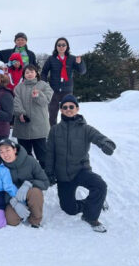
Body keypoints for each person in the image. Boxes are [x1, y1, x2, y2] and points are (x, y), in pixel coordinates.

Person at [45, 95, 116, 233]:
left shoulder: (86, 129)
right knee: (69, 209)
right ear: (61, 110)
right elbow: (50, 153)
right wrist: (50, 173)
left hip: (80, 170)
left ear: (77, 108)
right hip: (63, 176)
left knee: (100, 185)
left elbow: (99, 138)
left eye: (71, 106)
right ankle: (95, 203)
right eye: (65, 107)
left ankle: (91, 217)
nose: (68, 109)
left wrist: (106, 144)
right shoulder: (55, 130)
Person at [0, 139, 49, 228]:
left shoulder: (30, 161)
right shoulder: (0, 167)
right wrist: (13, 202)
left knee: (35, 192)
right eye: (1, 152)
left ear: (14, 150)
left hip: (30, 193)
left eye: (7, 150)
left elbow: (45, 182)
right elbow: (0, 188)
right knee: (11, 220)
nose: (5, 154)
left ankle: (35, 220)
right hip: (14, 197)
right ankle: (24, 212)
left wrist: (29, 183)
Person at [12, 64, 53, 169]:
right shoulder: (18, 87)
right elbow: (16, 103)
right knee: (25, 154)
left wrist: (38, 95)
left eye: (31, 72)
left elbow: (46, 101)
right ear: (24, 75)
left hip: (39, 127)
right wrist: (20, 114)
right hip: (23, 126)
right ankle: (29, 172)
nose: (29, 74)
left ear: (36, 73)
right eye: (27, 72)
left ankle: (47, 173)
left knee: (42, 153)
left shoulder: (44, 85)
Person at [41, 37, 86, 126]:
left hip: (67, 90)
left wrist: (80, 63)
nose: (61, 47)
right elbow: (44, 72)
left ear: (67, 47)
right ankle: (52, 132)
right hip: (53, 90)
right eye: (59, 45)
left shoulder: (72, 58)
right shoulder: (51, 59)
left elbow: (82, 71)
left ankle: (68, 130)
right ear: (56, 47)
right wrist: (44, 83)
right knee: (52, 113)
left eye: (63, 45)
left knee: (68, 112)